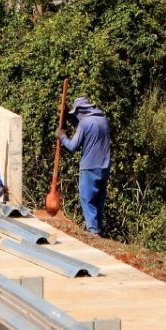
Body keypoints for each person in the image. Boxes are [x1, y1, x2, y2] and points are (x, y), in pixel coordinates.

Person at [56, 96, 111, 235]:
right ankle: (99, 228)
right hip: (104, 166)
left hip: (89, 166)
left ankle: (93, 230)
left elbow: (73, 146)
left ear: (81, 110)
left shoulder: (85, 123)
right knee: (99, 198)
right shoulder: (103, 120)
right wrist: (68, 115)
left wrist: (62, 137)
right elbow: (85, 126)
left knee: (87, 198)